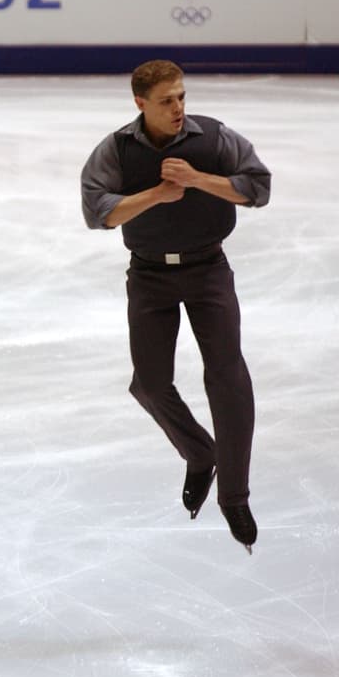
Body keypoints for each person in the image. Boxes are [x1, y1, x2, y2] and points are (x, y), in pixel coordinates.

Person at [80, 60, 271, 554]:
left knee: (227, 378)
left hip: (208, 270)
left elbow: (257, 187)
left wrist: (199, 179)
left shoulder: (212, 139)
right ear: (140, 104)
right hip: (148, 275)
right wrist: (157, 194)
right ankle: (199, 452)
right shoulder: (117, 149)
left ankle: (234, 494)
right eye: (166, 101)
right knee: (148, 383)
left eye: (182, 97)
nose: (179, 109)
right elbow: (98, 211)